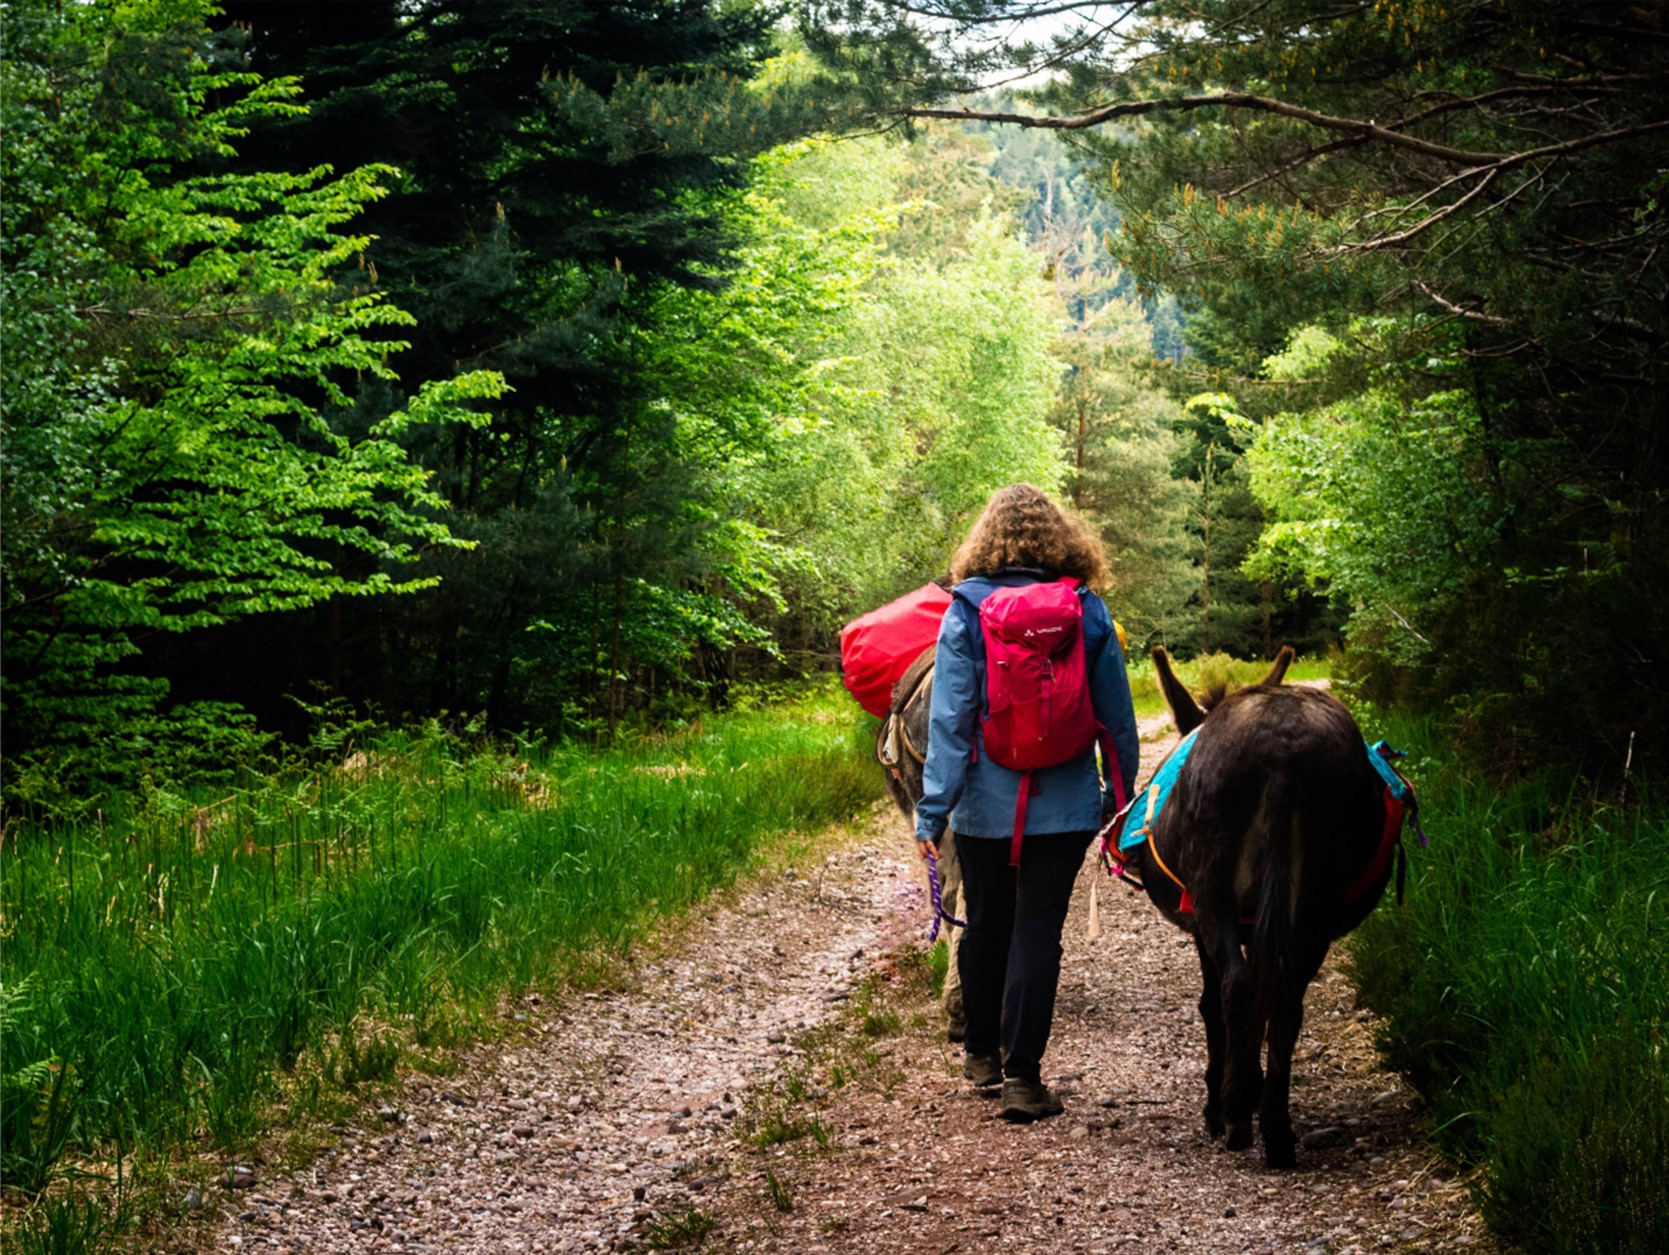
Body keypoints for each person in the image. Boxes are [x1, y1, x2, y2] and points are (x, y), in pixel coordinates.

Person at [914, 484, 1139, 1122]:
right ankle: (1023, 1081)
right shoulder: (1087, 610)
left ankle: (982, 1053)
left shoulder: (965, 611)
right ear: (1062, 538)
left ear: (986, 539)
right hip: (1064, 806)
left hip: (983, 807)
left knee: (986, 921)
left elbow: (951, 725)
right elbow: (1116, 722)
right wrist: (1120, 805)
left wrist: (932, 813)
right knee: (1038, 932)